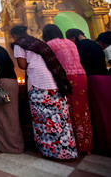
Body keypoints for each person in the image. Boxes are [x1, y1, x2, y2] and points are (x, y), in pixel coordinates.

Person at [11, 25, 77, 159]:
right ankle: (67, 150)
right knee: (60, 117)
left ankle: (48, 150)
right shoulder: (38, 43)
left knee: (42, 118)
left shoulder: (19, 44)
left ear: (14, 35)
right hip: (54, 81)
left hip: (38, 83)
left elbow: (22, 65)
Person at [42, 24, 93, 155]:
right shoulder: (70, 43)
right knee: (83, 111)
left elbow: (50, 63)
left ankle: (72, 143)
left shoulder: (50, 44)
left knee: (67, 111)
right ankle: (86, 145)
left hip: (66, 78)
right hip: (81, 76)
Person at [66, 29, 111, 155]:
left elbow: (81, 64)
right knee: (107, 111)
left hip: (92, 79)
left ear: (74, 37)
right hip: (106, 79)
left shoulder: (79, 46)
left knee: (96, 112)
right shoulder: (96, 45)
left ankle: (101, 143)